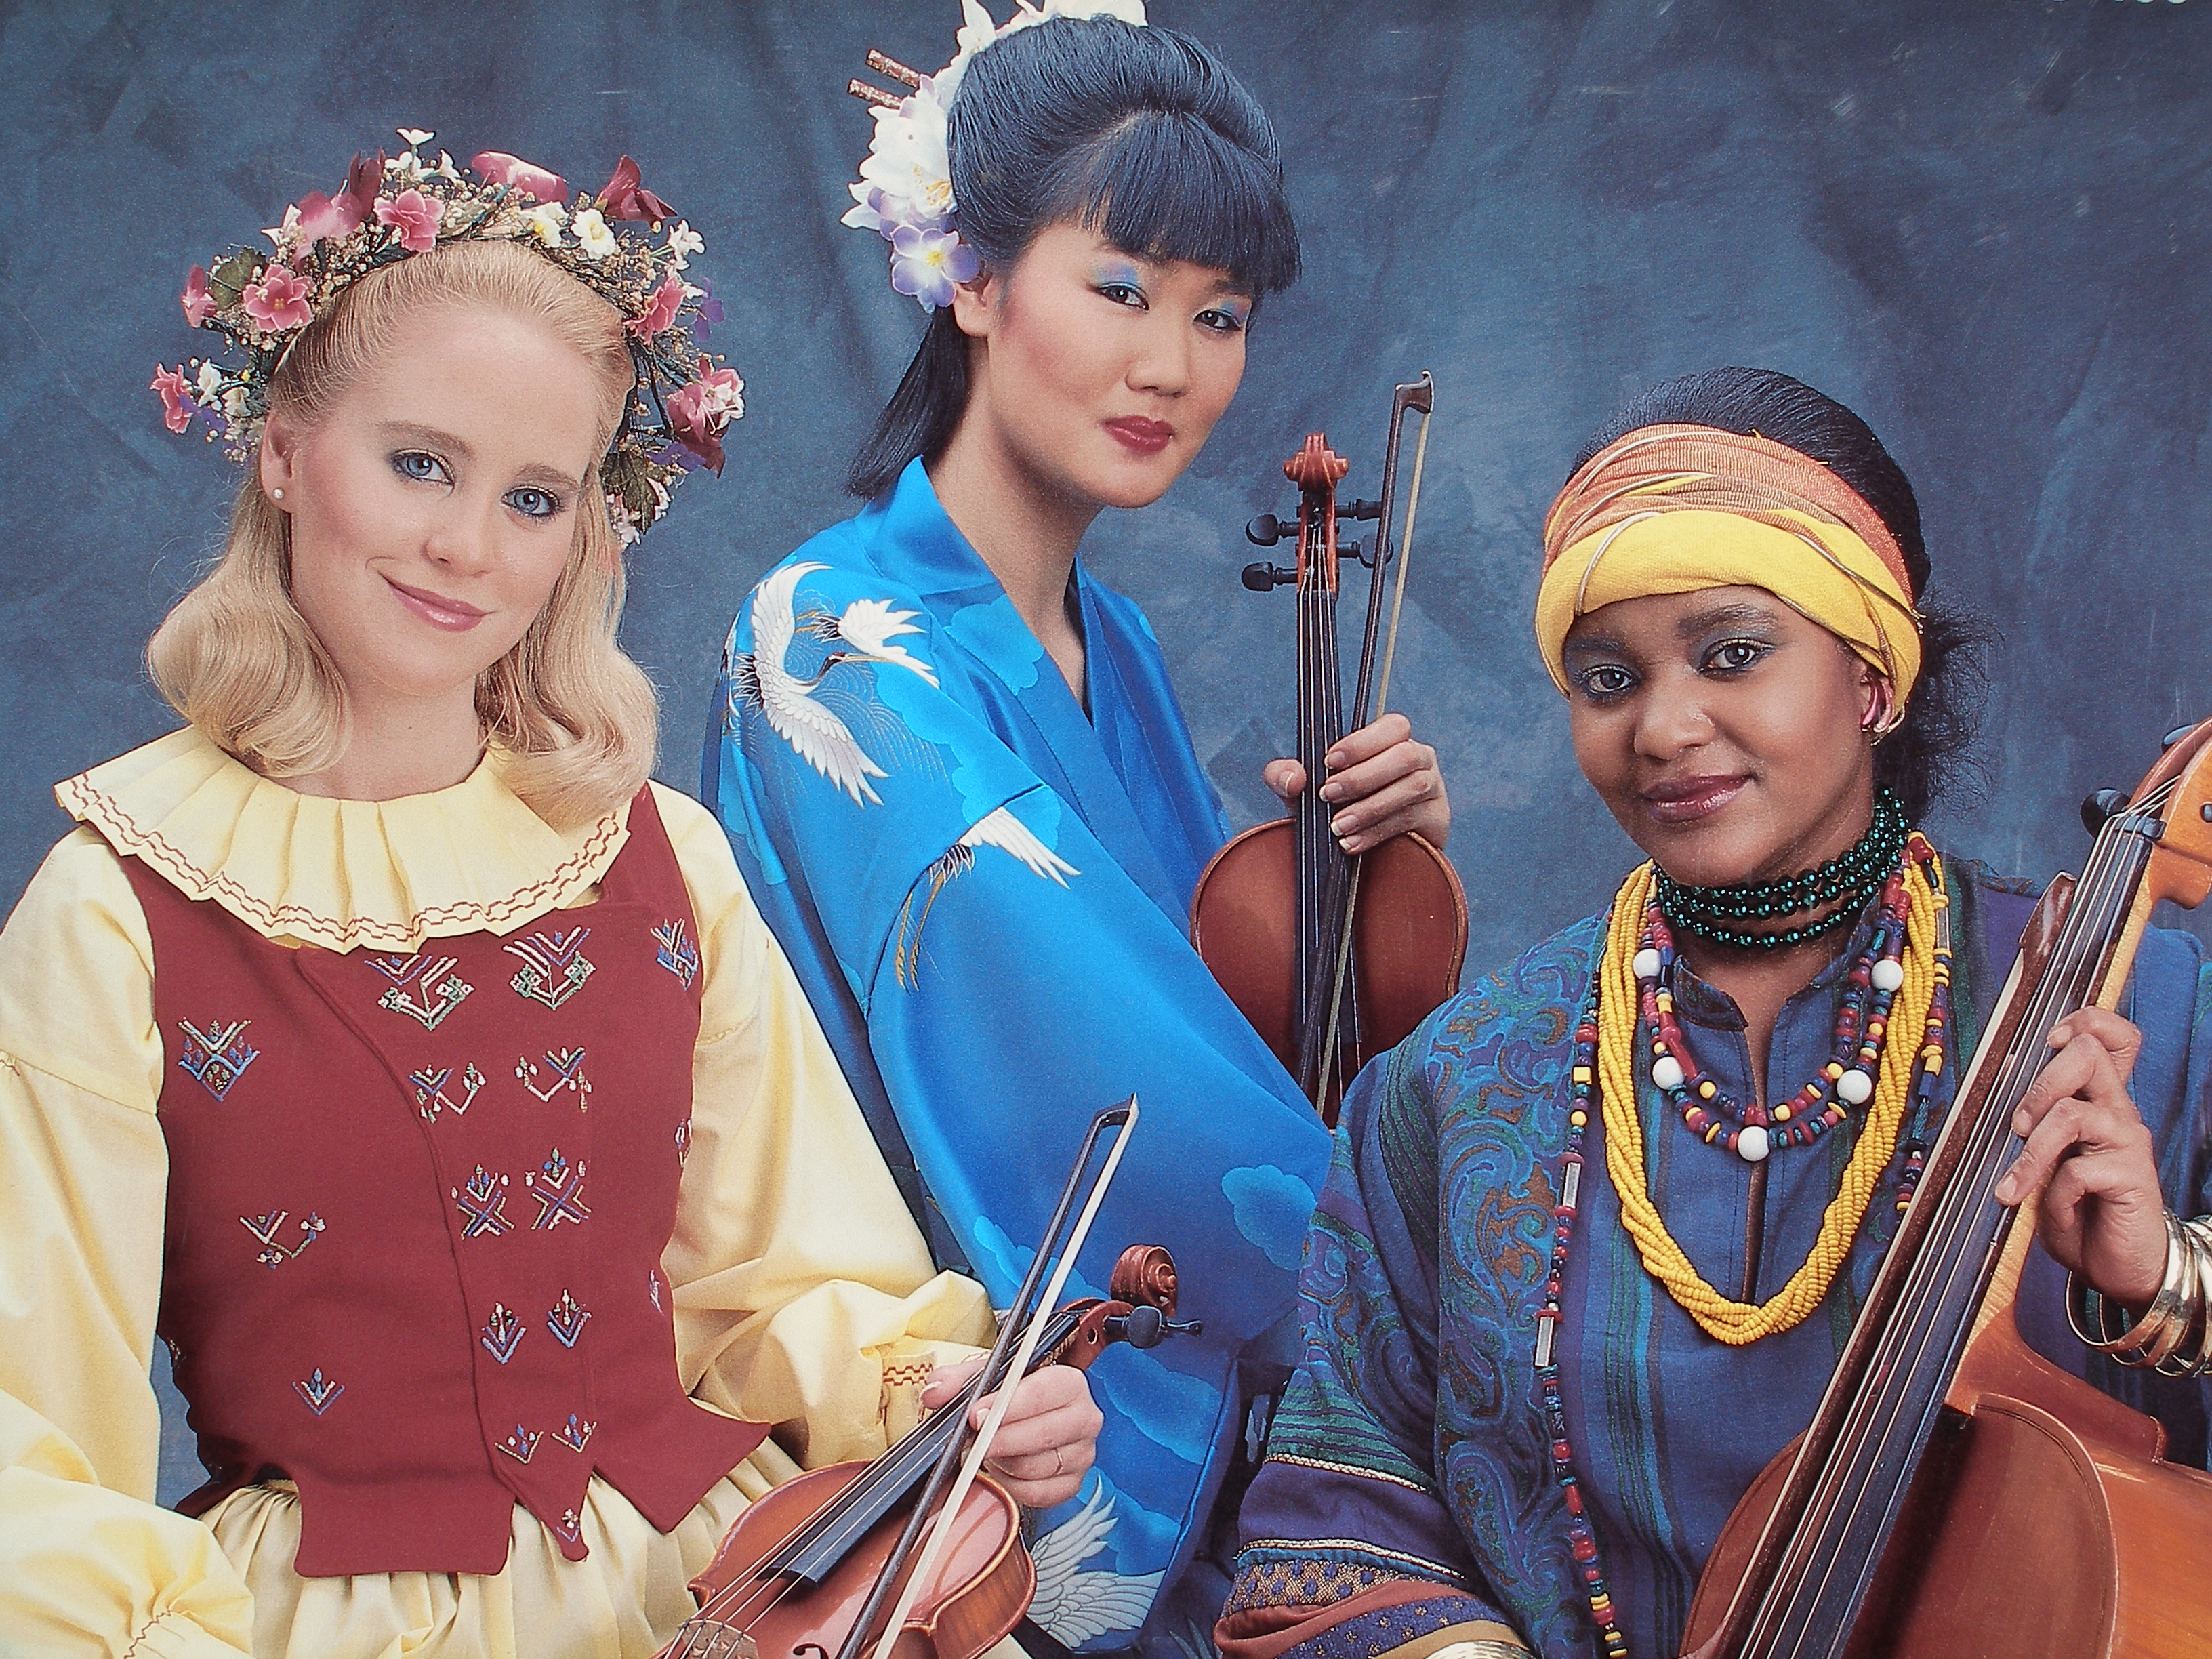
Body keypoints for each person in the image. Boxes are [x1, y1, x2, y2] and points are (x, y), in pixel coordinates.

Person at [0, 134, 1098, 1659]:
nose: (466, 546)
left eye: (533, 497)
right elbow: (26, 1430)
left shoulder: (658, 858)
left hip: (720, 1587)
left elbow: (772, 1281)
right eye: (418, 464)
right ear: (284, 452)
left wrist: (941, 1392)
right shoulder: (116, 909)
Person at [1213, 367, 2212, 1659]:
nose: (1665, 727)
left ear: (1874, 679)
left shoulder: (2139, 1017)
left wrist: (2164, 1280)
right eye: (1607, 679)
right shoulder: (1454, 1084)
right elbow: (1336, 1517)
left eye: (1734, 655)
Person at [704, 7, 1455, 1651]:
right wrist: (1430, 1246)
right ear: (971, 279)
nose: (1172, 364)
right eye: (1121, 289)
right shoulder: (834, 637)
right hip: (938, 1401)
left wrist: (1354, 896)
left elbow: (1224, 1013)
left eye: (1219, 314)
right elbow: (1105, 1068)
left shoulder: (1112, 646)